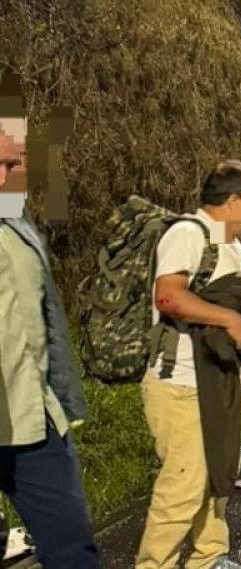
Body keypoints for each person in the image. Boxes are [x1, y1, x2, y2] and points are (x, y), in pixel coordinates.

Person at [137, 159, 241, 569]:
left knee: (218, 476)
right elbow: (168, 297)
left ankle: (209, 559)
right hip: (183, 384)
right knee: (183, 487)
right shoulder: (188, 233)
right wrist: (230, 320)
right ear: (235, 199)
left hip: (224, 381)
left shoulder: (231, 244)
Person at [0, 113, 101, 568]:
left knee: (73, 551)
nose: (9, 177)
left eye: (15, 164)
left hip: (34, 422)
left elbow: (44, 319)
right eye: (0, 164)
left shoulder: (18, 225)